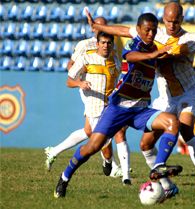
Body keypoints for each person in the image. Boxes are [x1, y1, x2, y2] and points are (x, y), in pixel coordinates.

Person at [86, 2, 195, 198]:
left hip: (188, 94)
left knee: (186, 130)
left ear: (182, 20)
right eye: (169, 21)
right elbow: (123, 30)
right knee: (145, 144)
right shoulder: (155, 33)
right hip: (166, 98)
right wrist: (98, 27)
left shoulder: (190, 39)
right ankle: (165, 184)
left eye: (176, 21)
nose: (172, 25)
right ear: (164, 18)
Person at [54, 13, 183, 198]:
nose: (151, 33)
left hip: (140, 110)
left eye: (154, 29)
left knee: (172, 122)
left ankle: (158, 168)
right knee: (93, 147)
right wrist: (154, 54)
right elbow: (129, 56)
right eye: (147, 29)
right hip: (118, 107)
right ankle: (65, 177)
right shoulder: (134, 45)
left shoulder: (156, 49)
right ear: (138, 29)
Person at [44, 17, 131, 183]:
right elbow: (71, 70)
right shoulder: (85, 46)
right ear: (94, 31)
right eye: (100, 27)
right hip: (89, 90)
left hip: (107, 96)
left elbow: (117, 75)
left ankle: (54, 151)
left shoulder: (113, 56)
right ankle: (112, 166)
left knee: (90, 131)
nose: (105, 43)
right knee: (101, 132)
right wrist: (81, 81)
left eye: (105, 26)